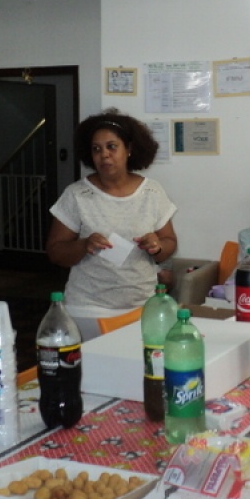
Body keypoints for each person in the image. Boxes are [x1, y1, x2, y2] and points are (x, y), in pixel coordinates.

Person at [46, 109, 177, 340]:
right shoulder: (77, 194)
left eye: (111, 146)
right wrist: (83, 244)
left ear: (129, 149)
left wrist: (157, 246)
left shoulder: (152, 191)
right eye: (96, 149)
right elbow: (55, 251)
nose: (104, 155)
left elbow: (169, 243)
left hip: (143, 307)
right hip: (88, 310)